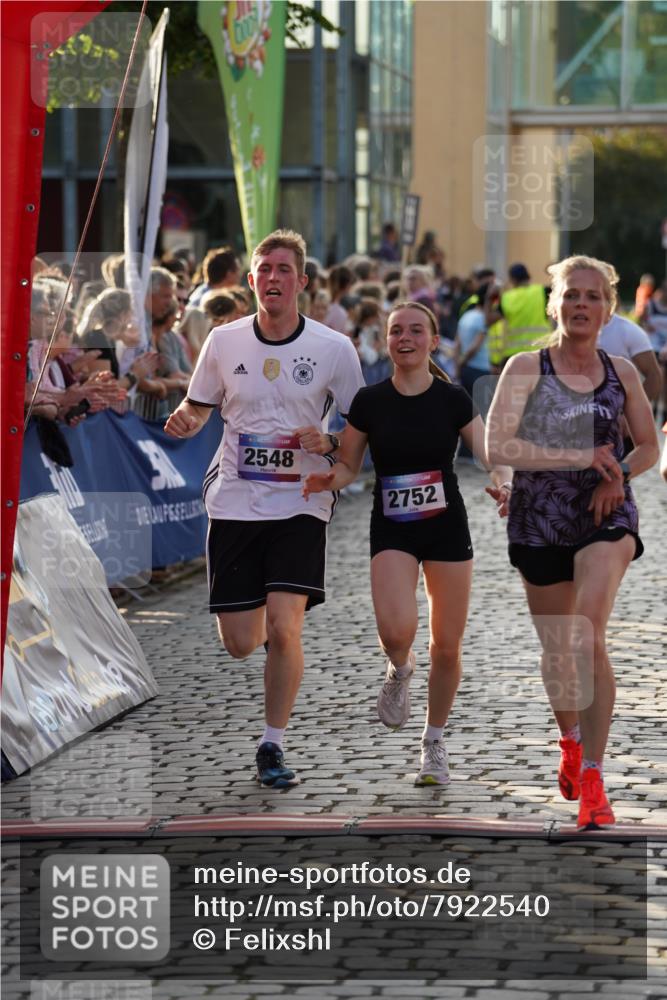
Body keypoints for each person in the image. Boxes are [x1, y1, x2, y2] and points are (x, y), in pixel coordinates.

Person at [164, 229, 365, 788]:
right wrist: (185, 420)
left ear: (302, 282)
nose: (273, 278)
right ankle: (274, 635)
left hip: (302, 500)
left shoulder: (333, 348)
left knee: (283, 625)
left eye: (284, 270)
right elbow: (198, 405)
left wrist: (331, 443)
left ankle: (272, 745)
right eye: (265, 270)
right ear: (251, 280)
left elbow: (360, 421)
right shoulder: (224, 341)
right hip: (235, 498)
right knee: (239, 642)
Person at [303, 301, 512, 785]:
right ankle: (400, 668)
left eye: (416, 331)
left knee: (447, 647)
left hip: (446, 526)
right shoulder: (370, 402)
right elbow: (350, 465)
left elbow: (490, 455)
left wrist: (505, 483)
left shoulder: (453, 398)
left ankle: (433, 742)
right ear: (387, 340)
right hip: (393, 526)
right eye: (396, 331)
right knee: (396, 632)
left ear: (433, 341)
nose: (405, 338)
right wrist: (328, 480)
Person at [485, 255, 659, 829]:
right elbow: (499, 446)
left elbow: (648, 446)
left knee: (586, 633)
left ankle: (594, 776)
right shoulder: (525, 368)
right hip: (539, 518)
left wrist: (618, 474)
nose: (582, 304)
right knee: (560, 646)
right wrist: (578, 456)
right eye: (571, 295)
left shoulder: (621, 372)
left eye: (593, 296)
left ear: (609, 311)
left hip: (605, 514)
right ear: (553, 305)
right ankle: (570, 739)